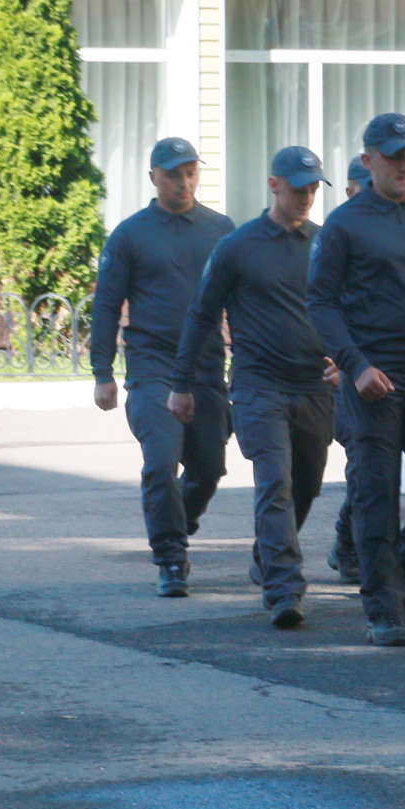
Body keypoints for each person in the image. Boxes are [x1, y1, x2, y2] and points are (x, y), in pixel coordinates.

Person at [307, 112, 405, 647]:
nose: (404, 164)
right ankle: (384, 607)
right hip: (371, 379)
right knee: (374, 493)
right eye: (393, 156)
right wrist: (354, 364)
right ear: (368, 161)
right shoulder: (346, 224)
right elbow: (321, 302)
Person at [170, 146, 338, 628]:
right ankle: (285, 588)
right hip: (258, 386)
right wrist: (182, 383)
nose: (306, 196)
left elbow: (348, 308)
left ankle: (268, 555)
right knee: (276, 483)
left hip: (313, 387)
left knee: (306, 485)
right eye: (298, 187)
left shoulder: (325, 243)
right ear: (274, 185)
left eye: (312, 188)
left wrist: (348, 361)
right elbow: (202, 314)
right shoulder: (238, 246)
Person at [89, 137, 235, 598]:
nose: (184, 182)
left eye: (191, 172)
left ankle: (178, 521)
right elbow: (107, 306)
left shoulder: (219, 228)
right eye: (174, 174)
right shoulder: (131, 234)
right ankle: (171, 557)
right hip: (152, 367)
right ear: (154, 176)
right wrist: (102, 373)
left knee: (209, 468)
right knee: (159, 463)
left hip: (207, 369)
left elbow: (242, 298)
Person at [328, 156, 369, 583]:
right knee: (363, 460)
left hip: (385, 367)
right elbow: (319, 308)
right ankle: (350, 541)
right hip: (344, 372)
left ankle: (349, 536)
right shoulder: (338, 234)